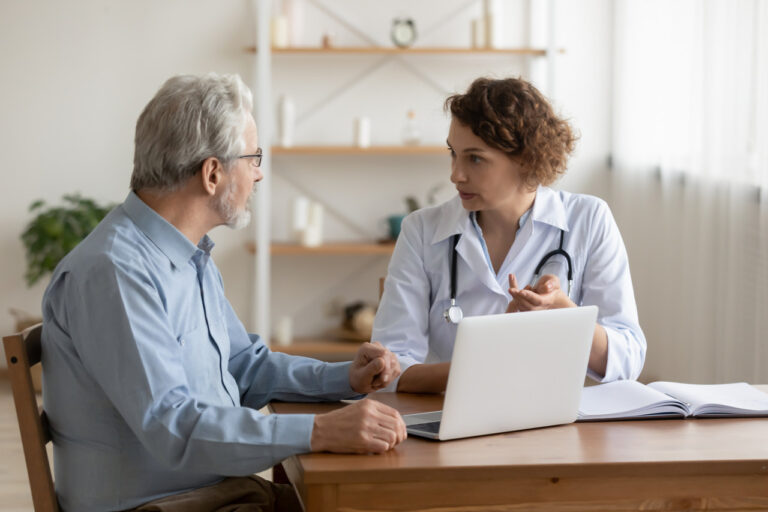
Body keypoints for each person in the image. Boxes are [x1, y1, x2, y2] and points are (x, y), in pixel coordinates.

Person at [41, 73, 406, 512]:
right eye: (252, 158)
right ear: (212, 173)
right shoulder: (114, 272)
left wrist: (343, 377)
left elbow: (242, 367)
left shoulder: (187, 256)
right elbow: (172, 425)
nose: (259, 173)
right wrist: (321, 431)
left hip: (216, 495)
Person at [372, 77, 647, 393]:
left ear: (527, 159)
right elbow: (388, 369)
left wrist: (564, 314)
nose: (455, 174)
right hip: (447, 418)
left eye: (475, 158)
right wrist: (481, 368)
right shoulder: (421, 231)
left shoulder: (589, 219)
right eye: (453, 153)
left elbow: (628, 360)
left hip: (552, 424)